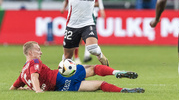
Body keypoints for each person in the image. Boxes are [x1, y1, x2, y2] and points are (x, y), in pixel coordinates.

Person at [47, 0, 127, 67]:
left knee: (92, 48)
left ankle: (100, 55)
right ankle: (65, 79)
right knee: (67, 58)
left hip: (88, 23)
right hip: (72, 25)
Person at [9, 41, 145, 93]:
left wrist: (28, 87)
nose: (41, 52)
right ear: (30, 53)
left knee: (99, 84)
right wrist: (37, 90)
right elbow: (34, 75)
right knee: (93, 68)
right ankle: (117, 72)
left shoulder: (22, 74)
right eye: (38, 50)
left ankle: (124, 91)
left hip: (61, 88)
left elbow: (13, 87)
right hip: (61, 76)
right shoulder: (35, 62)